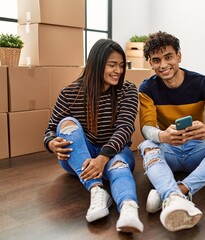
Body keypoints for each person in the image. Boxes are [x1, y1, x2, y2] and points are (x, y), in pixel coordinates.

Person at [138, 31, 205, 232]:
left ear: (179, 56)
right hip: (168, 149)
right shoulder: (147, 88)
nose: (163, 65)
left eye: (168, 57)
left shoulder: (203, 83)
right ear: (150, 63)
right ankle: (175, 196)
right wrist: (162, 136)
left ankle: (176, 192)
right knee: (147, 145)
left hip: (197, 150)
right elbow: (147, 128)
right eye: (156, 60)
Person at [43, 39, 143, 233]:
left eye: (122, 66)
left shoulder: (128, 90)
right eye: (112, 65)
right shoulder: (70, 92)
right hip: (80, 157)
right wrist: (51, 143)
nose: (118, 71)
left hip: (114, 153)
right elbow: (50, 129)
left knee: (118, 165)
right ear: (96, 64)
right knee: (66, 124)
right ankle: (97, 190)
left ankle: (129, 209)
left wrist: (103, 157)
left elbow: (125, 127)